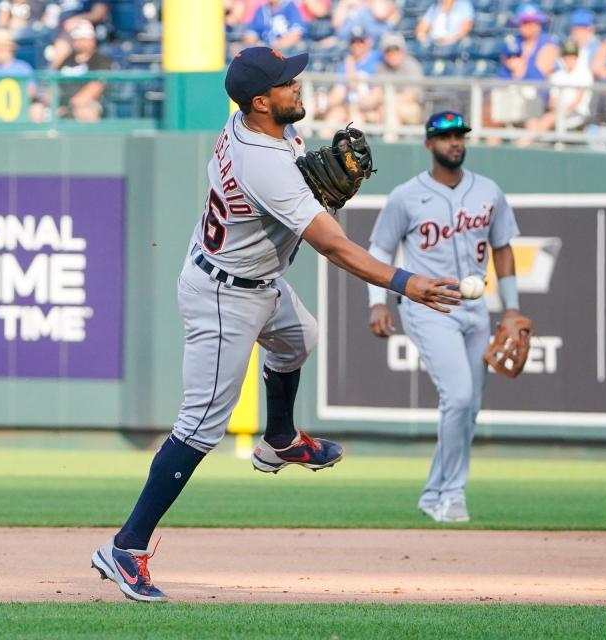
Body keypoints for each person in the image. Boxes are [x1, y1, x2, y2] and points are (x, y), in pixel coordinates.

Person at [90, 46, 462, 602]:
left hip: (257, 280)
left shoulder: (255, 123)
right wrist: (406, 283)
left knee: (298, 338)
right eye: (289, 83)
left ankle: (280, 439)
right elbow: (333, 246)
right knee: (199, 427)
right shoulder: (263, 161)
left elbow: (293, 181)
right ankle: (126, 547)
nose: (300, 86)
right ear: (261, 101)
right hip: (224, 295)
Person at [365, 110, 522, 523]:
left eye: (459, 135)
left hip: (477, 308)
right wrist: (377, 301)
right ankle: (452, 495)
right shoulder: (405, 195)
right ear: (428, 145)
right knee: (459, 395)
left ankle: (434, 493)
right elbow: (379, 250)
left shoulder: (489, 191)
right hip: (427, 307)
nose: (454, 142)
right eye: (445, 136)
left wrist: (512, 307)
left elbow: (503, 248)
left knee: (467, 410)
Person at [520, 39, 593, 146]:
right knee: (533, 120)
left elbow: (578, 100)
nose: (569, 59)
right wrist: (557, 110)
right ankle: (529, 145)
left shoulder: (584, 74)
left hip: (577, 114)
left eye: (573, 56)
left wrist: (561, 111)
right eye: (567, 56)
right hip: (557, 112)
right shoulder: (557, 75)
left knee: (547, 119)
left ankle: (524, 145)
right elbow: (552, 100)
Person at [323, 26, 382, 123]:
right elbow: (339, 92)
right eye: (353, 41)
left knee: (356, 118)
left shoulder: (377, 58)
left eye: (360, 41)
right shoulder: (344, 64)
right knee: (334, 116)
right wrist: (323, 103)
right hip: (348, 105)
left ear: (368, 42)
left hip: (370, 107)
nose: (356, 45)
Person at [57, 19, 111, 121]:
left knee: (85, 111)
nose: (80, 42)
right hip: (61, 103)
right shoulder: (66, 60)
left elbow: (96, 87)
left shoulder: (101, 60)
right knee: (37, 110)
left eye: (83, 39)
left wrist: (69, 107)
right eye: (77, 39)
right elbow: (54, 85)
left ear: (92, 40)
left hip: (89, 103)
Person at [511, 3, 558, 81]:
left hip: (538, 91)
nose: (529, 27)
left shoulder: (547, 43)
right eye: (525, 22)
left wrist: (521, 67)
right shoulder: (515, 43)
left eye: (533, 22)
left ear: (539, 24)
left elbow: (541, 75)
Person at [331, 0, 398, 43]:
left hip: (375, 40)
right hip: (348, 40)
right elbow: (335, 24)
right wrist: (344, 4)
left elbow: (380, 14)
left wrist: (367, 2)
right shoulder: (349, 3)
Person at [567, 8, 599, 74]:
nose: (580, 31)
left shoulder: (599, 48)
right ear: (572, 30)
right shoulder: (567, 46)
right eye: (577, 28)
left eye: (584, 28)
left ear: (591, 29)